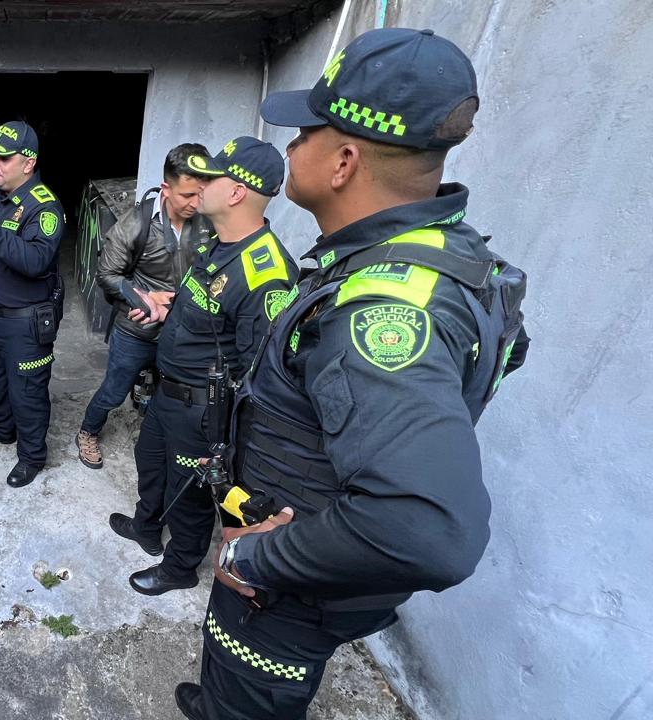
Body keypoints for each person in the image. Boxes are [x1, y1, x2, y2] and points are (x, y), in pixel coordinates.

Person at [176, 29, 530, 719]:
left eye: (305, 130)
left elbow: (431, 531)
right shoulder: (441, 254)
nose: (290, 148)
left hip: (286, 588)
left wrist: (258, 560)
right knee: (230, 681)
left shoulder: (385, 308)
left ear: (342, 161)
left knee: (249, 697)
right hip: (301, 547)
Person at [111, 136, 296, 597]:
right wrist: (165, 308)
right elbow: (206, 311)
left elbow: (261, 371)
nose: (199, 185)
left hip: (200, 410)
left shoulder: (266, 272)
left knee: (189, 496)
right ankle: (146, 527)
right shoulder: (216, 244)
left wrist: (225, 440)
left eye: (211, 177)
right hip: (168, 394)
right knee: (148, 461)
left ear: (236, 193)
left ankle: (178, 569)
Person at [75, 143, 213, 470]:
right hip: (136, 331)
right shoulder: (135, 224)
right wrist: (142, 298)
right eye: (187, 195)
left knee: (173, 396)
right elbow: (106, 273)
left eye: (201, 194)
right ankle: (87, 431)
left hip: (181, 332)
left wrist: (178, 301)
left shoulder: (209, 224)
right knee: (113, 391)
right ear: (166, 188)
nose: (196, 203)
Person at [0, 121, 65, 488]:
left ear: (28, 163)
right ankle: (2, 429)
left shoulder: (45, 207)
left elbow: (36, 261)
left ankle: (32, 456)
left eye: (4, 157)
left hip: (25, 324)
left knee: (28, 393)